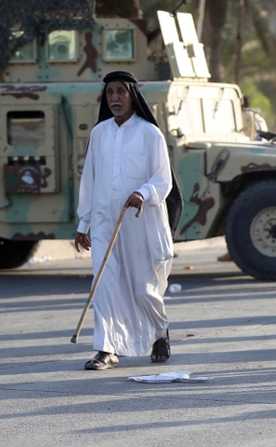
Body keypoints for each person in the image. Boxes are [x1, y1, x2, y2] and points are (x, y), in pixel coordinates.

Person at [75, 70, 183, 370]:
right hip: (104, 223)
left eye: (120, 91)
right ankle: (107, 348)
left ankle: (159, 331)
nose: (114, 98)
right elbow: (90, 181)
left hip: (140, 222)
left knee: (141, 287)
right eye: (110, 92)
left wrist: (143, 192)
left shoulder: (150, 133)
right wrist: (83, 224)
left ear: (133, 95)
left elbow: (163, 180)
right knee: (105, 286)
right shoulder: (99, 133)